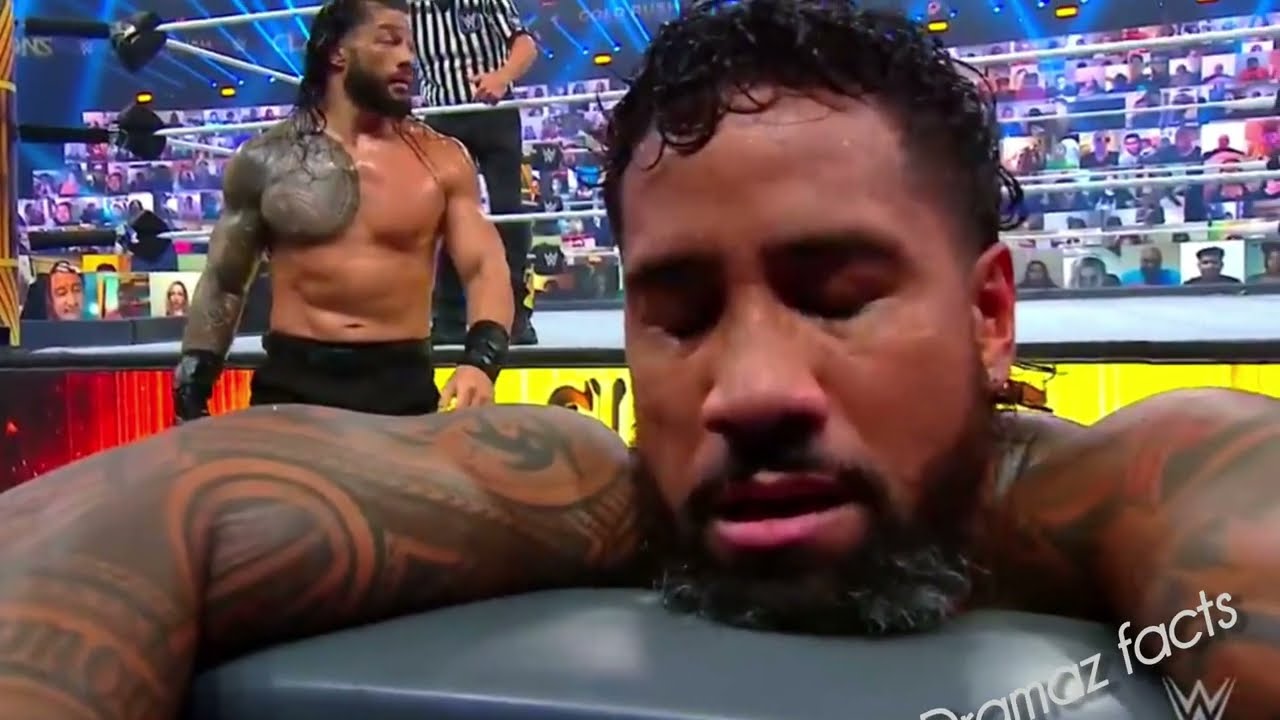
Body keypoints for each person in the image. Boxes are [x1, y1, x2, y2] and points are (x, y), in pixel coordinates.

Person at [4, 3, 1280, 718]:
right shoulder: (589, 481)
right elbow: (148, 507)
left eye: (838, 299)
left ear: (989, 317)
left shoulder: (1156, 475)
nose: (750, 391)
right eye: (678, 313)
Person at [173, 0, 514, 421]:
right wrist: (195, 377)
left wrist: (481, 361)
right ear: (338, 53)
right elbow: (225, 280)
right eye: (389, 41)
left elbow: (485, 266)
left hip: (400, 384)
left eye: (410, 46)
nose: (407, 58)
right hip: (293, 385)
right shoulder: (267, 160)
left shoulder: (442, 160)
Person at [408, 0, 539, 345]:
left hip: (495, 111)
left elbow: (524, 43)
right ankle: (449, 317)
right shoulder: (411, 8)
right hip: (442, 117)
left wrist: (501, 76)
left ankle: (515, 316)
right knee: (444, 216)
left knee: (508, 211)